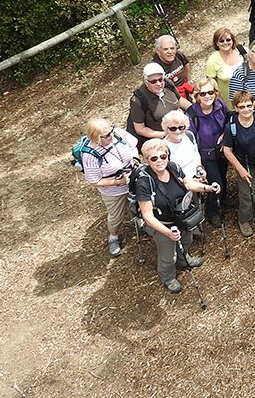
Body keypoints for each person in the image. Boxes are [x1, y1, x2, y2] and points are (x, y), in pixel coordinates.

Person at [133, 138, 218, 294]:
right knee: (167, 256)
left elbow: (188, 184)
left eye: (163, 156)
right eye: (153, 158)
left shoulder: (173, 167)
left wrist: (207, 188)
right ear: (146, 160)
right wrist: (167, 232)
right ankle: (168, 277)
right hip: (162, 224)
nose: (159, 161)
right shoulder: (145, 182)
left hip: (182, 216)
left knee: (187, 239)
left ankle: (184, 260)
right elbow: (147, 216)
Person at [80, 118, 139, 257]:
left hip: (134, 178)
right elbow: (95, 181)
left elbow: (133, 146)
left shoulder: (118, 134)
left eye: (110, 132)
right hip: (114, 191)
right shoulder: (90, 155)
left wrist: (135, 161)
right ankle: (113, 237)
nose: (110, 136)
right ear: (95, 138)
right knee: (116, 216)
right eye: (105, 136)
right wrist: (118, 182)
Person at [220, 90, 255, 238]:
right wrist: (239, 169)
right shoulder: (231, 126)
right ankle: (244, 219)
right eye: (242, 106)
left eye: (249, 105)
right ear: (236, 107)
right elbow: (227, 150)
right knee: (247, 193)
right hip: (243, 162)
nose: (246, 109)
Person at [186, 78, 229, 227]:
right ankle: (212, 212)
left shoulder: (220, 105)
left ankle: (221, 201)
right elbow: (189, 138)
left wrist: (225, 135)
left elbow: (229, 120)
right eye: (202, 93)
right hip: (205, 156)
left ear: (216, 92)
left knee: (222, 177)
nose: (207, 96)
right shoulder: (192, 114)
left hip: (222, 151)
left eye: (210, 92)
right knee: (215, 181)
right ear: (197, 96)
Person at [127, 62, 191, 149]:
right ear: (146, 82)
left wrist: (195, 110)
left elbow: (180, 100)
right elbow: (140, 129)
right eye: (153, 81)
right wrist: (166, 135)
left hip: (180, 130)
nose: (158, 83)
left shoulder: (168, 84)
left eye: (160, 79)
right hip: (162, 141)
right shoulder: (138, 100)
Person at [204, 27, 245, 111]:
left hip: (250, 100)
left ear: (233, 40)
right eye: (221, 41)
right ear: (217, 43)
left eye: (228, 40)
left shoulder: (243, 51)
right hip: (229, 105)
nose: (225, 43)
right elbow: (210, 84)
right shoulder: (212, 60)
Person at [161, 109, 201, 179]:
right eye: (173, 128)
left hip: (197, 178)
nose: (178, 131)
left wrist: (199, 169)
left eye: (181, 127)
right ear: (166, 129)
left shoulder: (189, 135)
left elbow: (196, 155)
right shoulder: (163, 146)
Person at [152, 35, 193, 100]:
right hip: (171, 96)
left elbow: (186, 63)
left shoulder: (178, 55)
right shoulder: (155, 67)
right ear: (158, 51)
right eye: (165, 49)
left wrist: (189, 79)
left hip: (185, 87)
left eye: (172, 48)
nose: (170, 52)